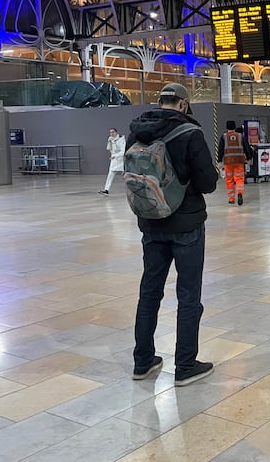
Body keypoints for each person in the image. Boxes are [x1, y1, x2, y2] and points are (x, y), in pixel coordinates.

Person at [127, 83, 218, 387]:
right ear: (182, 104)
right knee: (188, 295)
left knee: (149, 292)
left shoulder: (136, 131)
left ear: (160, 102)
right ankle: (185, 365)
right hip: (186, 225)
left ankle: (143, 362)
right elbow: (208, 183)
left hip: (151, 224)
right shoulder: (190, 133)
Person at [218, 120, 252, 205]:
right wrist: (248, 157)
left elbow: (220, 149)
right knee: (239, 179)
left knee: (229, 180)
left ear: (227, 127)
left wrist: (219, 161)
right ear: (234, 127)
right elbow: (246, 147)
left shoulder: (224, 137)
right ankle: (239, 192)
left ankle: (231, 199)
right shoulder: (240, 136)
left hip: (228, 161)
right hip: (239, 161)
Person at [99, 128, 125, 195]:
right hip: (114, 160)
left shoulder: (121, 139)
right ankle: (106, 190)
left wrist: (115, 156)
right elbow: (109, 148)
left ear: (116, 132)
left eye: (113, 132)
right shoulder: (111, 139)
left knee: (126, 175)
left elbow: (123, 151)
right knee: (110, 174)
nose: (111, 134)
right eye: (110, 132)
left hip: (122, 160)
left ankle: (131, 190)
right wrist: (109, 141)